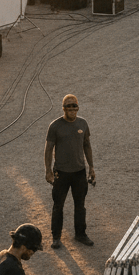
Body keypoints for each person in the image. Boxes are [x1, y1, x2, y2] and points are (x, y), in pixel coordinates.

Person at [44, 94, 96, 249]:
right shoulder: (55, 126)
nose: (72, 109)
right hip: (61, 172)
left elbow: (87, 145)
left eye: (75, 106)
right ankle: (56, 237)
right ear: (63, 109)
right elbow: (48, 150)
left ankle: (80, 234)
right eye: (69, 106)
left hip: (79, 172)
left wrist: (91, 167)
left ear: (78, 107)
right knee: (58, 205)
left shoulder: (83, 124)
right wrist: (48, 171)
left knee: (80, 205)